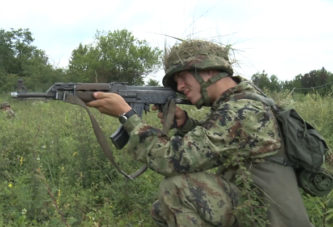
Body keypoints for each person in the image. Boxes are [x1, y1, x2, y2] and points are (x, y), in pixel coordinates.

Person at [87, 40, 313, 226]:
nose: (180, 87)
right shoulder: (246, 100)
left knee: (176, 190)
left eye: (182, 78)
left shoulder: (241, 111)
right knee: (162, 210)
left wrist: (128, 116)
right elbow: (226, 142)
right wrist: (186, 123)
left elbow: (172, 159)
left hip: (267, 219)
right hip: (257, 205)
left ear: (209, 70)